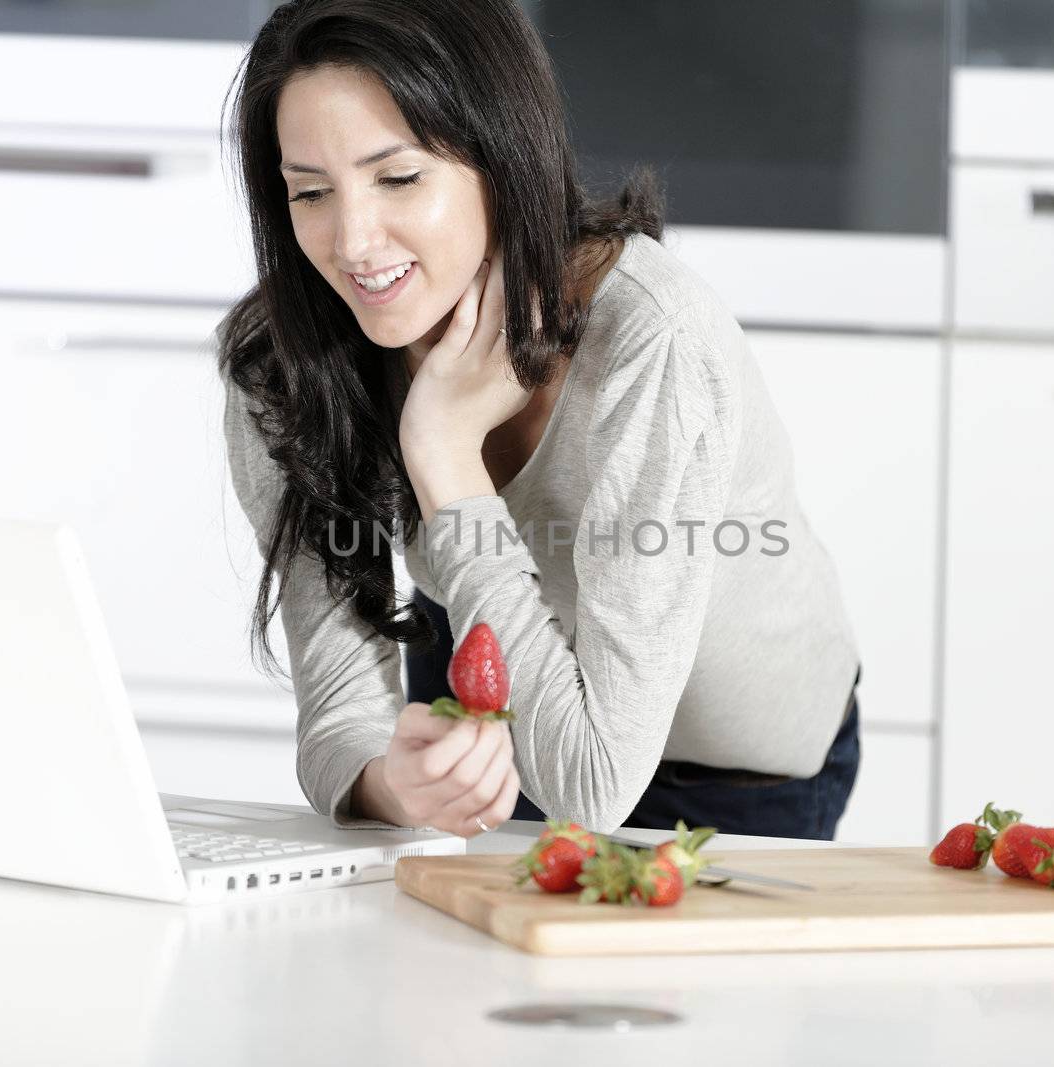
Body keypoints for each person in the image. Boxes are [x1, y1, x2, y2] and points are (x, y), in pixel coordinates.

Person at [217, 0, 861, 841]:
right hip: (505, 717)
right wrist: (390, 785)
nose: (354, 242)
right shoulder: (287, 362)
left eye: (399, 177)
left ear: (503, 157)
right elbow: (341, 714)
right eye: (310, 192)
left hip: (732, 770)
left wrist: (443, 450)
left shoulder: (651, 338)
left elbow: (593, 784)